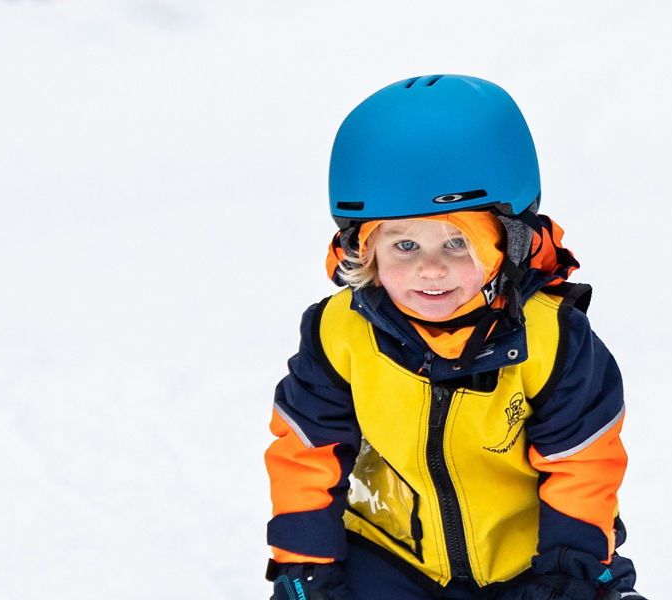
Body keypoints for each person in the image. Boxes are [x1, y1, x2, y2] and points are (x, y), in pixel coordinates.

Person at [266, 74, 644, 600]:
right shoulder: (338, 334)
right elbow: (308, 451)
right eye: (403, 246)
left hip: (532, 565)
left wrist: (568, 572)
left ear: (507, 241)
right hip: (393, 558)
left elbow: (582, 464)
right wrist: (306, 565)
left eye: (456, 242)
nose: (431, 270)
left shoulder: (552, 338)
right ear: (363, 251)